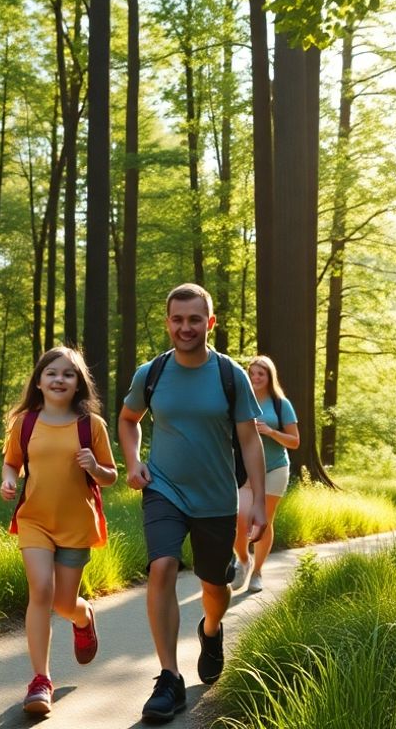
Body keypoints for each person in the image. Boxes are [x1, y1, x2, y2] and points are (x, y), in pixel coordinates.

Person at [118, 283, 267, 723]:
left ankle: (211, 629)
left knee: (213, 589)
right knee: (162, 566)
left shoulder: (229, 374)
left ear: (210, 322)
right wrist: (132, 462)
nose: (186, 327)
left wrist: (257, 500)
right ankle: (168, 678)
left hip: (216, 499)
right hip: (163, 488)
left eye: (194, 319)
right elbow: (128, 420)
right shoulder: (152, 373)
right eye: (178, 319)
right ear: (167, 322)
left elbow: (250, 439)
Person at [0, 346, 118, 715]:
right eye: (52, 373)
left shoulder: (91, 426)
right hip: (34, 520)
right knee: (42, 591)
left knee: (63, 603)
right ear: (39, 381)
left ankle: (82, 617)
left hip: (75, 524)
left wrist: (95, 467)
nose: (59, 379)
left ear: (78, 384)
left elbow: (112, 476)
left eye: (68, 374)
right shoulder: (25, 422)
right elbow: (12, 463)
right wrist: (7, 481)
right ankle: (40, 680)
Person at [230, 355, 299, 593]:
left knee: (263, 521)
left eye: (261, 374)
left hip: (275, 468)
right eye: (252, 373)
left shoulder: (281, 404)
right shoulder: (240, 401)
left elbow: (295, 441)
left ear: (269, 377)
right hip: (246, 469)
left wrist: (271, 432)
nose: (256, 378)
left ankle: (257, 572)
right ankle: (243, 560)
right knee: (238, 518)